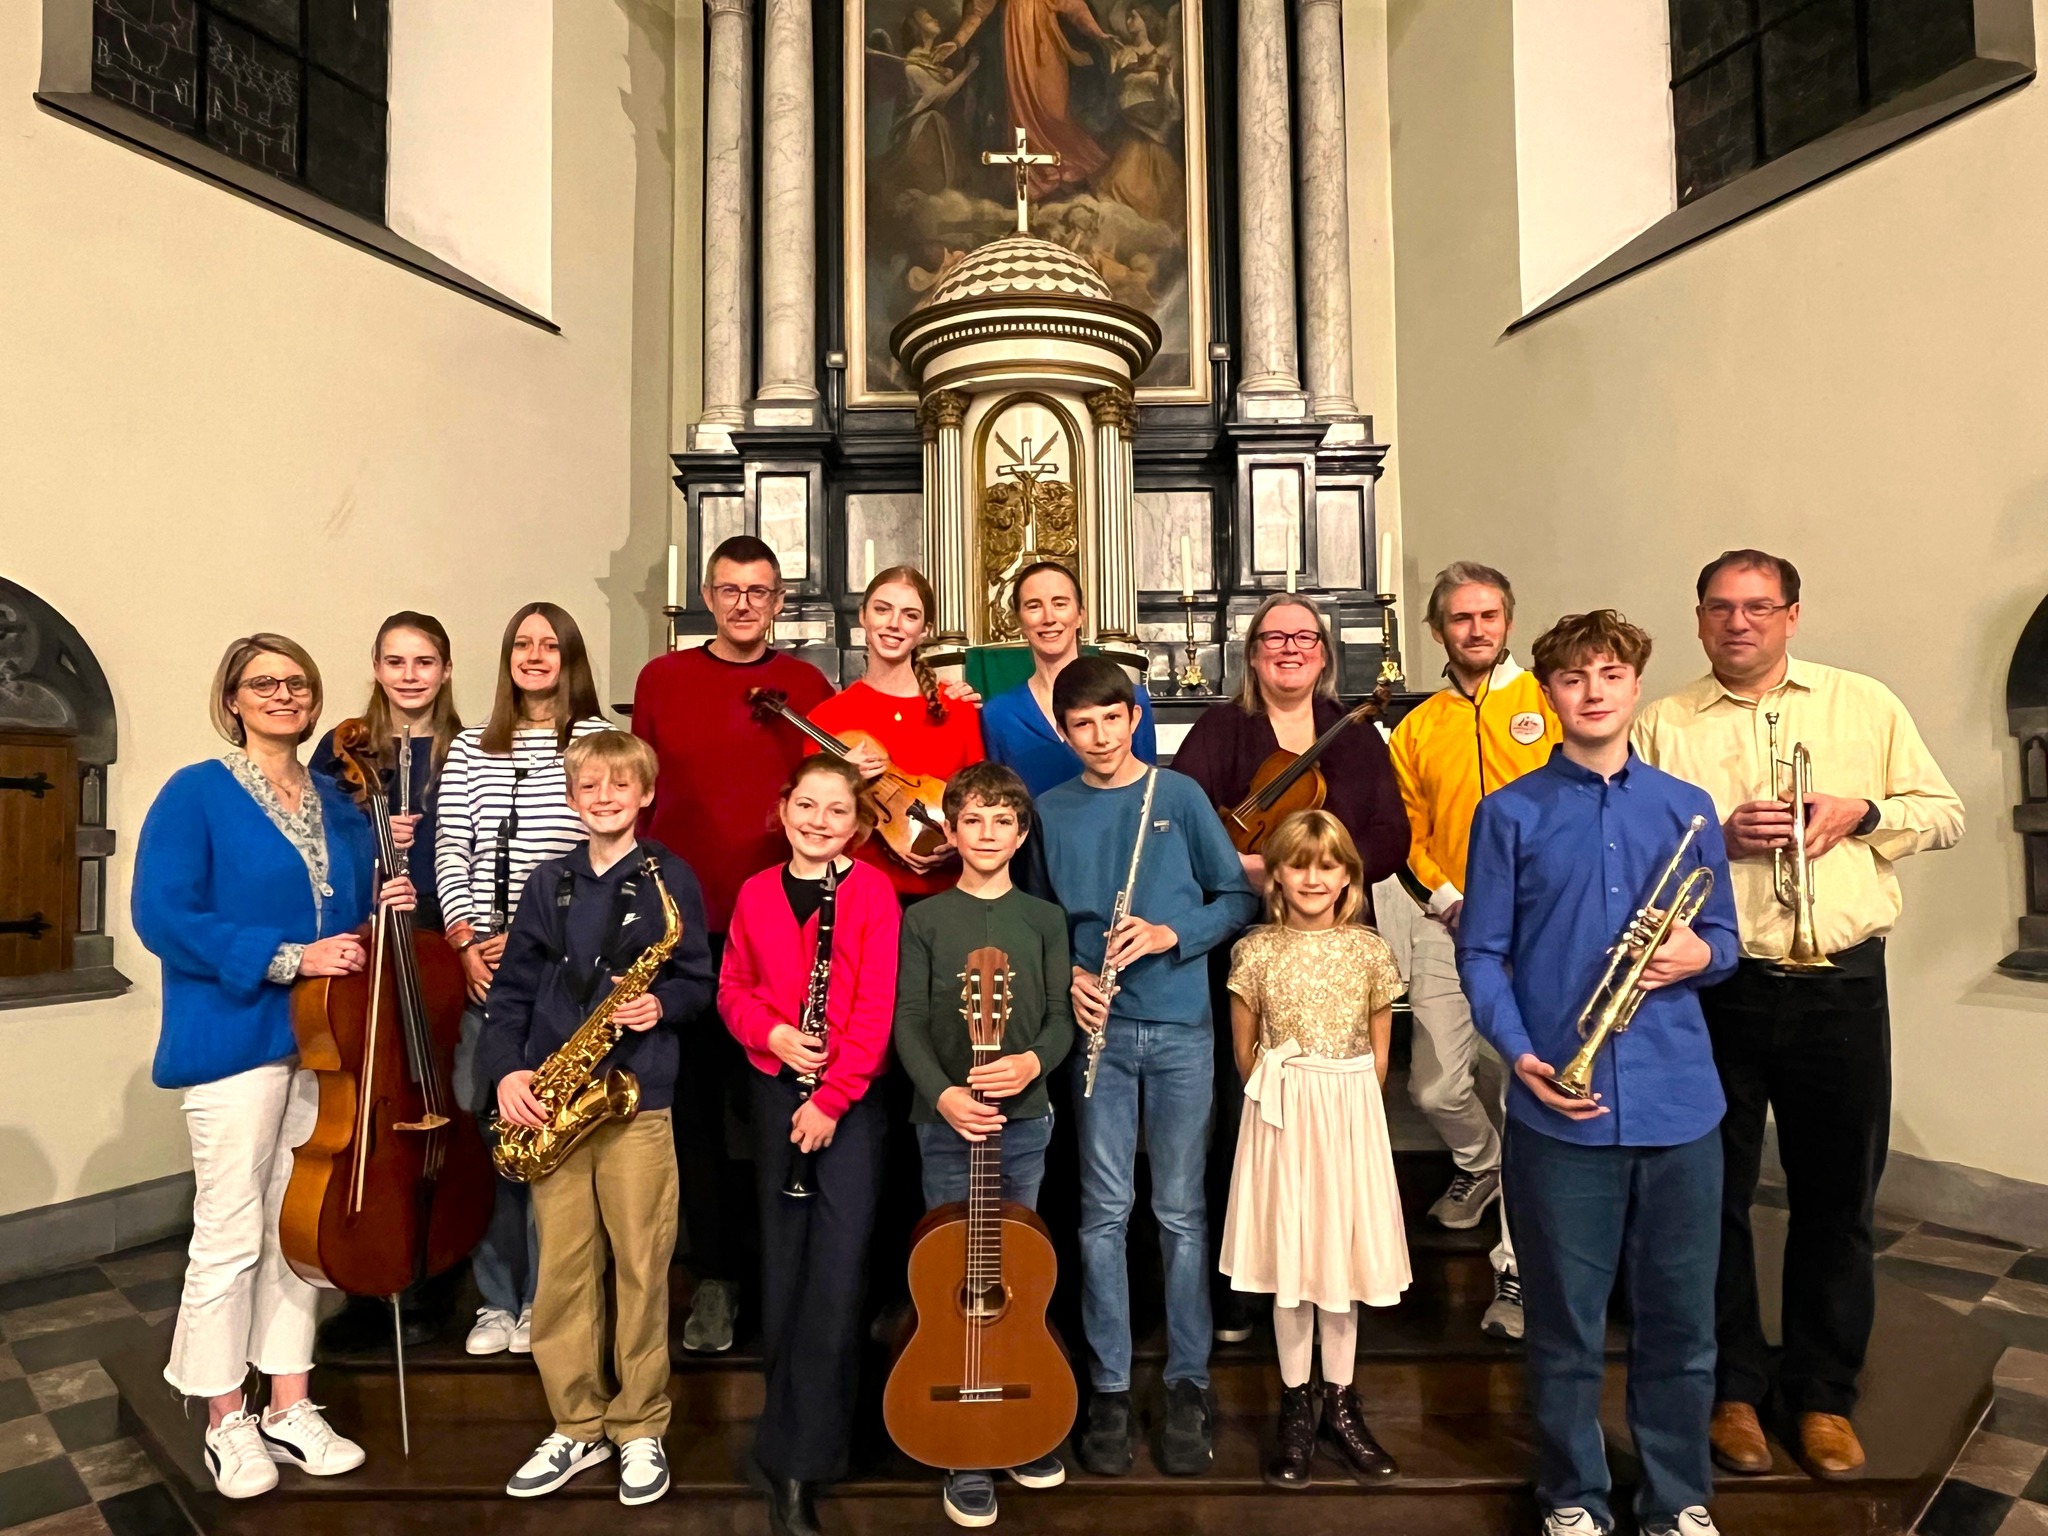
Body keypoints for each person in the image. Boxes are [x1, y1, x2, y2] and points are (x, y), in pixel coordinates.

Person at [1632, 549, 1964, 1481]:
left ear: (1792, 615)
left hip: (1842, 986)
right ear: (1699, 620)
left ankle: (1821, 1396)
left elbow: (1945, 815)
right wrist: (1713, 836)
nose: (1740, 623)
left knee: (1837, 1202)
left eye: (1759, 607)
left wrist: (1860, 813)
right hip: (1719, 988)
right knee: (1715, 1198)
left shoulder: (1865, 704)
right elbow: (1630, 846)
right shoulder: (1663, 723)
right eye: (1721, 608)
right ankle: (1733, 1387)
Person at [1458, 610, 1740, 1536]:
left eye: (1610, 675)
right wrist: (1520, 1051)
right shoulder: (1508, 814)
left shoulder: (1686, 809)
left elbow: (1728, 942)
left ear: (1634, 688)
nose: (1592, 692)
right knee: (1566, 1326)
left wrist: (1699, 957)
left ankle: (1677, 1496)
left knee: (1680, 1326)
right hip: (1560, 1106)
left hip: (1679, 1103)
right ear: (1548, 695)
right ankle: (1573, 1496)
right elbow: (1483, 952)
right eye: (1574, 678)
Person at [132, 633, 415, 1499]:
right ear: (233, 699)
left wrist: (386, 900)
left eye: (296, 683)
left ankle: (290, 1401)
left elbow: (353, 924)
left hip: (326, 1048)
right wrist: (290, 956)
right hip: (237, 1039)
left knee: (303, 1231)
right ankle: (227, 1417)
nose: (283, 695)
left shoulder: (338, 798)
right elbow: (162, 916)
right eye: (264, 684)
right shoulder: (197, 793)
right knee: (230, 1231)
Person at [1038, 656, 1259, 1478]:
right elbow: (1037, 921)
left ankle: (1188, 1382)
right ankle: (1105, 1386)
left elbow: (1236, 900)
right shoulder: (1052, 810)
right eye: (1080, 726)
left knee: (1178, 1212)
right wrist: (1069, 976)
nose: (1098, 737)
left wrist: (1172, 936)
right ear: (1065, 733)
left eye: (1110, 719)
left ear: (1136, 717)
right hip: (1097, 1029)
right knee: (1100, 1213)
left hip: (1178, 1031)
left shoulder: (1179, 798)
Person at [480, 731, 714, 1507]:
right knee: (563, 1273)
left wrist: (664, 1002)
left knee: (645, 1269)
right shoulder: (550, 883)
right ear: (573, 798)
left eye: (621, 786)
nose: (605, 798)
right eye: (590, 788)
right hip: (554, 1099)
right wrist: (509, 1070)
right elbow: (512, 989)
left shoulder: (671, 879)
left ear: (645, 794)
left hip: (637, 1098)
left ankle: (640, 1425)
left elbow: (699, 982)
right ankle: (575, 1426)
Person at [1173, 592, 1408, 1344]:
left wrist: (1323, 874)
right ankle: (1247, 1284)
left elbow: (1391, 834)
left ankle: (1335, 1271)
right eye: (1274, 637)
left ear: (1324, 653)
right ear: (1251, 653)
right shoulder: (1222, 729)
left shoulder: (1356, 735)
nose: (1290, 648)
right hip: (1246, 937)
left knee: (1336, 1122)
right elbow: (1185, 814)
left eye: (1305, 637)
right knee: (1244, 1105)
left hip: (1336, 942)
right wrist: (1248, 869)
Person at [633, 534, 836, 1355]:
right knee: (695, 1109)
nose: (744, 603)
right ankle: (715, 1273)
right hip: (684, 926)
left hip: (784, 926)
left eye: (759, 591)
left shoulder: (806, 686)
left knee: (777, 1102)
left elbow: (833, 796)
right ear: (707, 598)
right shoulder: (663, 679)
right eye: (729, 589)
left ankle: (787, 1268)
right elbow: (643, 798)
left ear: (778, 601)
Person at [1374, 562, 1560, 1342]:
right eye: (1459, 618)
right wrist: (1445, 897)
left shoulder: (1547, 703)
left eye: (1488, 616)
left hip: (1543, 931)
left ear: (1508, 623)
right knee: (1436, 1087)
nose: (1475, 629)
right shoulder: (1418, 728)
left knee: (1527, 1092)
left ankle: (1516, 1270)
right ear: (1437, 630)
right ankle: (1478, 1163)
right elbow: (1404, 829)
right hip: (1448, 922)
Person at [719, 756, 902, 1536]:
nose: (820, 821)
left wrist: (832, 1096)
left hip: (846, 1102)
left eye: (837, 811)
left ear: (855, 825)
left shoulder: (870, 891)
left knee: (836, 1274)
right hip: (774, 1087)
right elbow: (732, 986)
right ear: (783, 808)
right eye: (807, 805)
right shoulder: (757, 893)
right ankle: (785, 1442)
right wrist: (775, 1035)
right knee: (784, 1272)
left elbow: (874, 1005)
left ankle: (810, 1455)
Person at [891, 761, 1075, 1526]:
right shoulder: (926, 920)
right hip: (947, 1123)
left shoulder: (1044, 919)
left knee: (1015, 1273)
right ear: (952, 830)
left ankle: (1017, 1410)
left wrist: (1034, 1061)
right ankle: (964, 1443)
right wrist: (944, 1095)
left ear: (1021, 832)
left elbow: (1062, 1020)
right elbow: (905, 1019)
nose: (988, 833)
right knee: (950, 1275)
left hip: (1023, 1120)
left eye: (1003, 821)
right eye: (973, 820)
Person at [437, 602, 610, 1357]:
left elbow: (604, 853)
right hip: (485, 963)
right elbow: (453, 845)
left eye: (550, 645)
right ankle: (498, 1299)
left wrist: (541, 944)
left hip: (563, 965)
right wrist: (465, 940)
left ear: (571, 657)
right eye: (522, 644)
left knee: (560, 1136)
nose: (536, 656)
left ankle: (552, 1296)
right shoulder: (474, 745)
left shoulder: (599, 742)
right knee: (497, 1135)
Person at [308, 610, 463, 1352]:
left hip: (438, 943)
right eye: (396, 661)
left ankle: (438, 1264)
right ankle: (368, 1265)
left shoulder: (467, 749)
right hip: (372, 938)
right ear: (375, 667)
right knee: (374, 1099)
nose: (410, 675)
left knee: (440, 1090)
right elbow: (317, 843)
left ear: (445, 670)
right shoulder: (342, 754)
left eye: (424, 661)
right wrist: (373, 846)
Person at [812, 564, 986, 898]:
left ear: (925, 630)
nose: (894, 623)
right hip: (858, 898)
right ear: (863, 616)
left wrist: (957, 841)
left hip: (948, 896)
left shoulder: (958, 709)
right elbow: (812, 821)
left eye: (909, 615)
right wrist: (844, 783)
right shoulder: (827, 717)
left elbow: (979, 803)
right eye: (882, 610)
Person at [981, 560, 1159, 798]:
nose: (1049, 618)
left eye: (1060, 603)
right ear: (1019, 621)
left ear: (1080, 615)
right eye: (1034, 606)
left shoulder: (1131, 698)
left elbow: (1148, 790)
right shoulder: (998, 714)